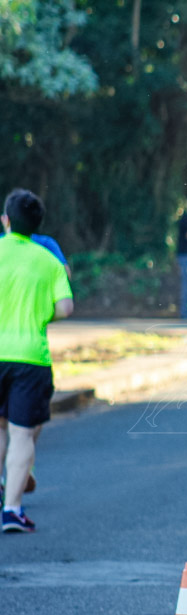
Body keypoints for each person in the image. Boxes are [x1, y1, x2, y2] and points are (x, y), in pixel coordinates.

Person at [0, 189, 74, 532]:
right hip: (31, 356)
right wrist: (38, 315)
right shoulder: (49, 260)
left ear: (6, 221)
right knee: (22, 434)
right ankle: (12, 510)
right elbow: (65, 308)